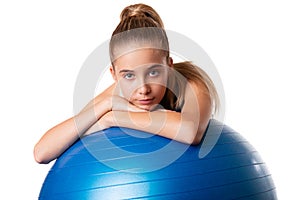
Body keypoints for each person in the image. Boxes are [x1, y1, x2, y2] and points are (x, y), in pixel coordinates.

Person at [34, 3, 219, 164]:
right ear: (114, 75)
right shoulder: (116, 94)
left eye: (153, 72)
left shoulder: (191, 84)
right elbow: (42, 153)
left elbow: (190, 132)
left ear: (169, 66)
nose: (143, 89)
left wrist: (111, 118)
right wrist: (106, 105)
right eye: (129, 76)